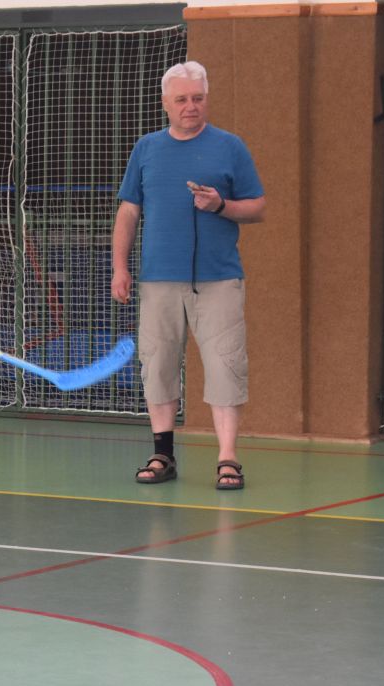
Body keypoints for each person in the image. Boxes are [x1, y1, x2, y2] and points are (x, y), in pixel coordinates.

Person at [112, 60, 265, 490]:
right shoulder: (146, 149)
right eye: (181, 99)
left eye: (197, 98)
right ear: (165, 103)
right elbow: (129, 211)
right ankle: (162, 454)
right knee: (157, 364)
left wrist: (221, 205)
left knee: (225, 365)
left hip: (219, 280)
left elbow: (257, 206)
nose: (190, 106)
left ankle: (228, 458)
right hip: (158, 280)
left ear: (206, 99)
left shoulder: (230, 147)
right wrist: (120, 267)